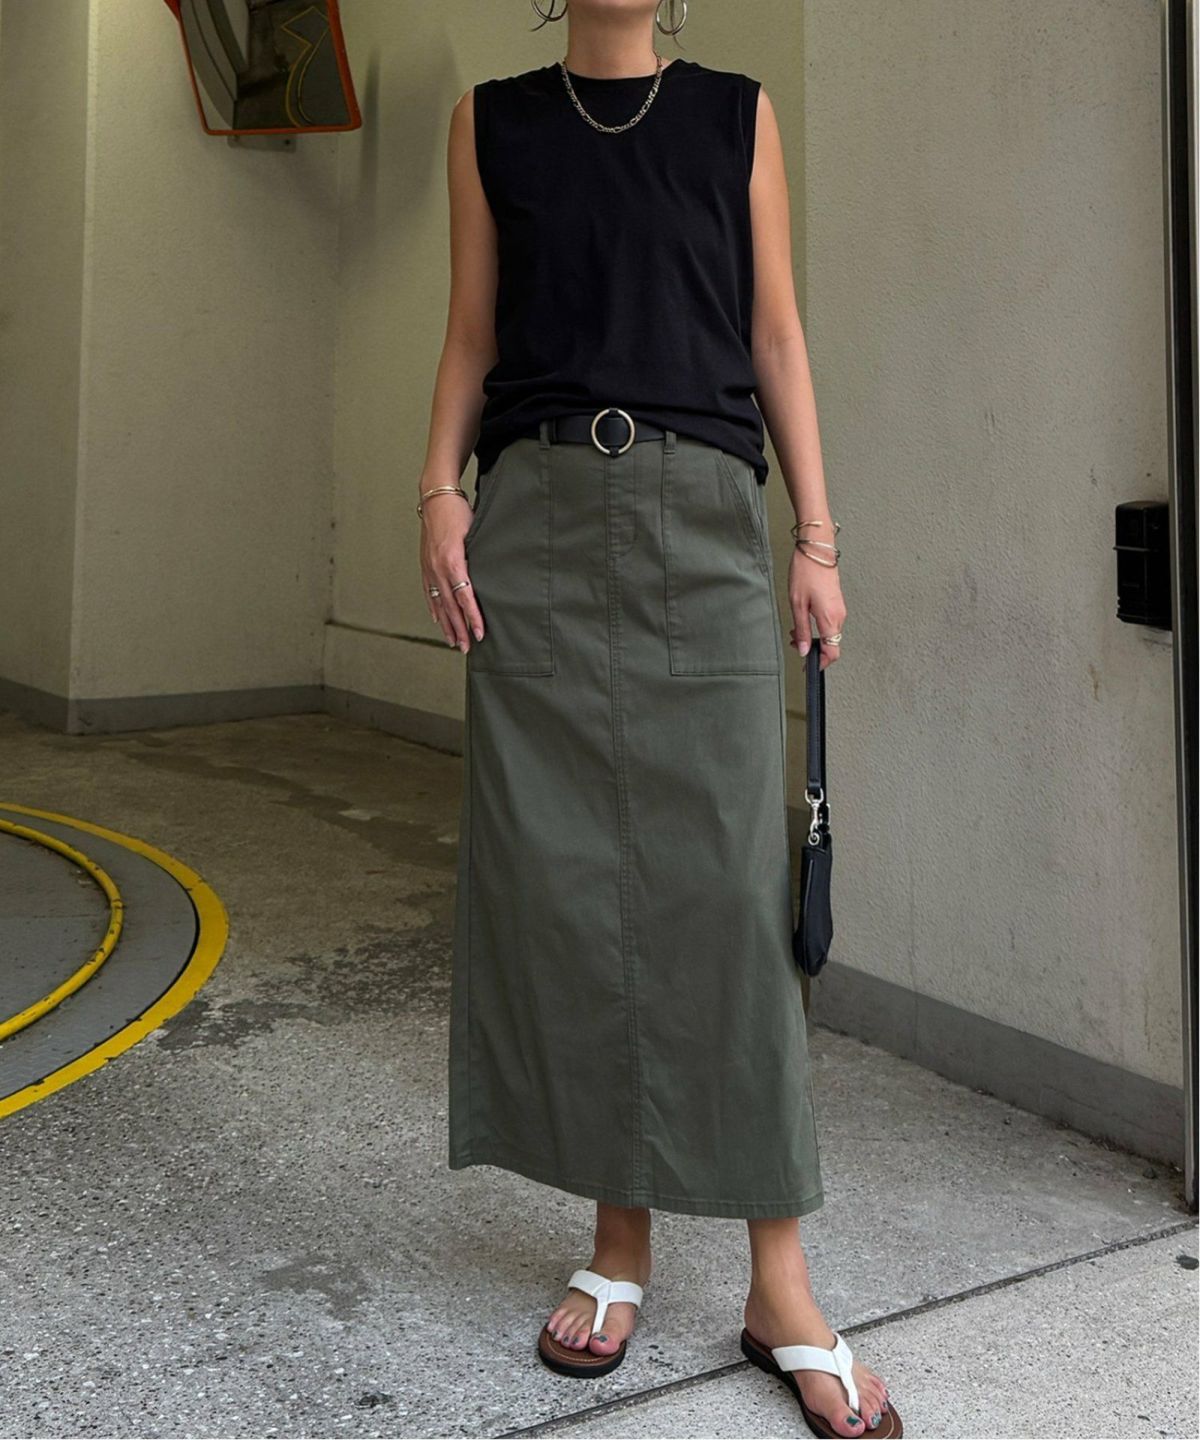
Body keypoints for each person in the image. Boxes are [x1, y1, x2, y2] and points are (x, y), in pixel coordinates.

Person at [417, 2, 899, 1436]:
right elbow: (471, 333)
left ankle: (779, 1281)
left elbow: (776, 333)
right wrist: (436, 488)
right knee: (571, 892)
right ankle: (617, 1239)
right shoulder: (491, 120)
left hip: (703, 521)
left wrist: (817, 539)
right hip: (538, 526)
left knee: (730, 899)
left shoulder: (734, 114)